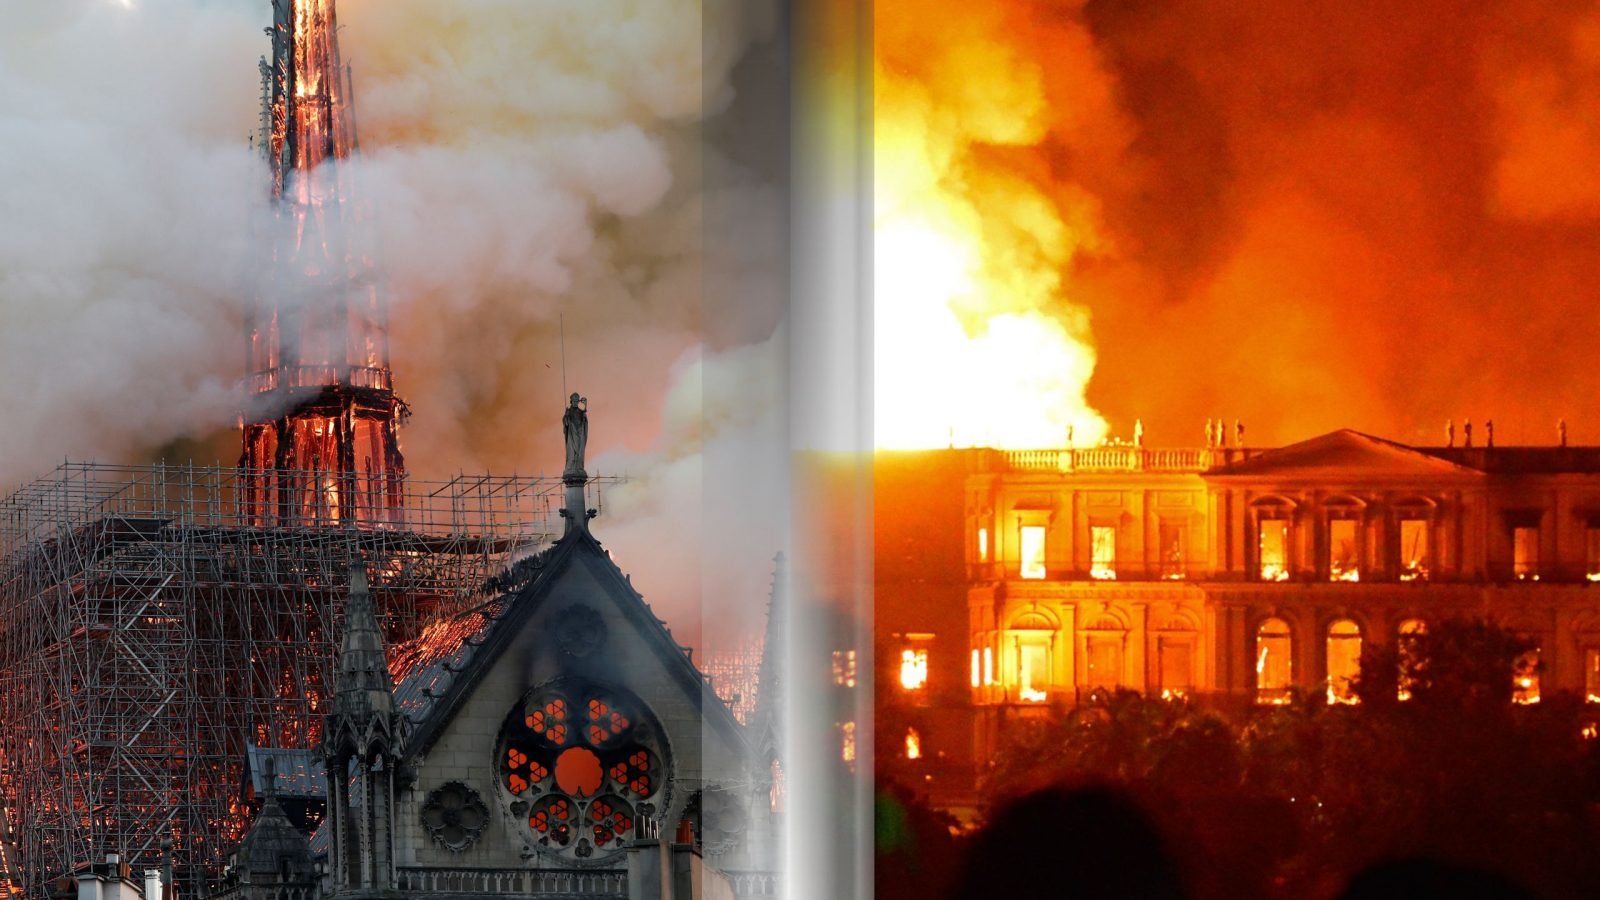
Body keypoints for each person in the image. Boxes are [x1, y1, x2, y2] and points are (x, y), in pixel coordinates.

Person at [562, 393, 587, 476]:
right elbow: (566, 424)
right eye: (574, 401)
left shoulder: (581, 412)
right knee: (571, 454)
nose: (575, 403)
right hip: (572, 437)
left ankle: (579, 467)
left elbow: (584, 424)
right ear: (571, 401)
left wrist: (585, 407)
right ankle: (571, 467)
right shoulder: (568, 412)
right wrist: (566, 417)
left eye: (577, 401)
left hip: (580, 436)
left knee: (580, 453)